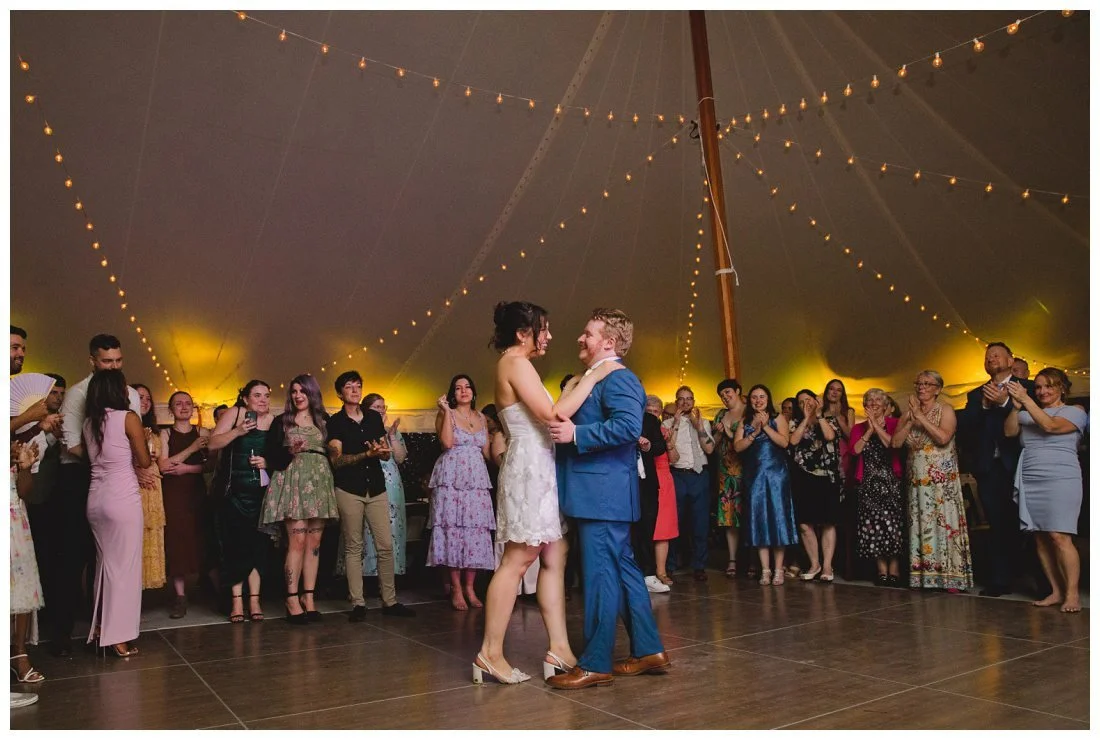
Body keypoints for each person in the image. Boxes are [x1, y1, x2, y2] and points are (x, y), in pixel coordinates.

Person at [474, 301, 615, 684]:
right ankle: (490, 653)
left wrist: (576, 383)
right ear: (523, 333)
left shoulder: (521, 364)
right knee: (518, 559)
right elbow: (553, 416)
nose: (549, 335)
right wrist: (591, 376)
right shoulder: (515, 363)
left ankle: (560, 649)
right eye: (543, 328)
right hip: (528, 470)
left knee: (555, 553)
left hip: (542, 468)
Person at [547, 308, 669, 690]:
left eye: (588, 333)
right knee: (623, 570)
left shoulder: (619, 378)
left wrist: (576, 436)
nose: (580, 338)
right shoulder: (593, 378)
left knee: (600, 575)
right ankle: (649, 650)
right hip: (604, 493)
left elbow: (628, 427)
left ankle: (596, 661)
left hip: (602, 494)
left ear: (609, 342)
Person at [51, 334, 144, 656]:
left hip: (100, 488)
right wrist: (111, 460)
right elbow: (71, 445)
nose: (114, 367)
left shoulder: (127, 395)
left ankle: (104, 628)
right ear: (93, 360)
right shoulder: (77, 394)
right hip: (84, 479)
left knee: (105, 563)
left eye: (118, 361)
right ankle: (69, 633)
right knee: (81, 560)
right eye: (108, 362)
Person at [328, 372, 414, 622]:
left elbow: (385, 455)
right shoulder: (336, 422)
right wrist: (365, 455)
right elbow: (336, 460)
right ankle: (358, 603)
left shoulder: (374, 418)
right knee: (354, 546)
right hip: (349, 488)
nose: (355, 390)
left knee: (386, 546)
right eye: (349, 387)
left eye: (358, 386)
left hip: (376, 487)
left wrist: (381, 452)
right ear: (340, 393)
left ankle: (390, 601)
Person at [1005, 369, 1087, 613]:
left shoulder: (1076, 411)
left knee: (1060, 537)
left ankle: (1072, 594)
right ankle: (1056, 591)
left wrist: (1027, 400)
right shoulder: (1027, 410)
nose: (1042, 391)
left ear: (1062, 388)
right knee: (1040, 537)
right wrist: (1015, 407)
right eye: (1038, 387)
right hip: (1031, 476)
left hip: (1061, 477)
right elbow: (1009, 432)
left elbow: (1050, 426)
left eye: (1049, 386)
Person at [83, 369, 152, 657]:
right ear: (116, 390)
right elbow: (145, 460)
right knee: (124, 569)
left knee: (105, 566)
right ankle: (118, 637)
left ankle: (101, 627)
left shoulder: (88, 423)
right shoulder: (128, 418)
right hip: (122, 498)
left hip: (96, 499)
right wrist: (144, 439)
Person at [261, 374, 339, 624]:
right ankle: (291, 597)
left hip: (319, 479)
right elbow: (270, 454)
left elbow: (335, 449)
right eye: (293, 391)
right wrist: (288, 451)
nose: (297, 395)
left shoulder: (325, 420)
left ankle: (309, 597)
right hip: (293, 479)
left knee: (314, 543)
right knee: (297, 541)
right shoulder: (281, 421)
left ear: (312, 393)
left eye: (302, 391)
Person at [959, 342, 1032, 597]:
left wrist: (1004, 405)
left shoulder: (1029, 388)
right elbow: (966, 427)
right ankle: (1000, 580)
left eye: (997, 355)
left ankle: (1038, 580)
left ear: (1011, 361)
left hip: (1023, 465)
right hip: (990, 467)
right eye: (988, 356)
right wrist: (986, 407)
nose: (991, 358)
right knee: (997, 523)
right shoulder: (976, 395)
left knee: (1031, 525)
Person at [892, 370, 974, 592]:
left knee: (944, 523)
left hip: (941, 480)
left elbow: (943, 437)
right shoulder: (908, 414)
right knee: (921, 524)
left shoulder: (945, 409)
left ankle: (951, 577)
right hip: (917, 480)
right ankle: (923, 575)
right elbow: (896, 443)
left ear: (938, 389)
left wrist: (920, 417)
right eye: (918, 383)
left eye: (928, 384)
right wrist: (911, 419)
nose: (921, 387)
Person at [208, 380, 275, 622]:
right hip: (234, 492)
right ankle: (236, 602)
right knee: (235, 547)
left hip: (262, 494)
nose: (263, 400)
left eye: (266, 395)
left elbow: (281, 455)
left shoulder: (274, 421)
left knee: (258, 547)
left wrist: (268, 462)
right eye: (257, 395)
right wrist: (238, 431)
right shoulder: (235, 413)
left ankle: (255, 600)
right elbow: (212, 444)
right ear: (245, 398)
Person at [427, 375, 495, 611]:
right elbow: (446, 443)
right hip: (451, 477)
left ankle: (470, 586)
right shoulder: (447, 414)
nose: (463, 390)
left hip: (476, 478)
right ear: (451, 394)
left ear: (474, 392)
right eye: (457, 388)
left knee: (475, 530)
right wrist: (446, 411)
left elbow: (487, 453)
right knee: (453, 529)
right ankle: (455, 587)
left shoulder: (481, 418)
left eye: (467, 386)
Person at [734, 384, 797, 585]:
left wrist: (766, 427)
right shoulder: (744, 421)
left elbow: (784, 443)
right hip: (755, 476)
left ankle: (779, 569)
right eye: (754, 397)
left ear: (768, 399)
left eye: (762, 396)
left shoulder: (778, 418)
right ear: (749, 400)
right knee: (759, 519)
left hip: (777, 475)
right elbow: (737, 447)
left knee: (778, 519)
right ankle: (765, 569)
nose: (758, 400)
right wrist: (754, 433)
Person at [157, 391, 210, 618]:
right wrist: (192, 449)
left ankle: (207, 586)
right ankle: (180, 596)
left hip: (196, 492)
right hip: (173, 494)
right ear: (171, 409)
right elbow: (164, 466)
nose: (184, 407)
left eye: (188, 403)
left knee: (201, 536)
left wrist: (187, 468)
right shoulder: (165, 433)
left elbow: (212, 466)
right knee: (176, 540)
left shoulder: (204, 432)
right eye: (178, 404)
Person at [850, 389, 904, 586]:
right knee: (874, 527)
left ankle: (895, 569)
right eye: (869, 401)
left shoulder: (895, 424)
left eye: (877, 401)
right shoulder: (858, 428)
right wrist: (869, 430)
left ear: (885, 405)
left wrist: (878, 427)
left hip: (891, 481)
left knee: (893, 525)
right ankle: (881, 570)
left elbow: (893, 444)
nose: (873, 403)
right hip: (869, 483)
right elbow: (855, 451)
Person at [788, 389, 842, 582]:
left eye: (808, 400)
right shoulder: (794, 423)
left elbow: (829, 437)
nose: (805, 404)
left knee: (827, 522)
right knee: (804, 524)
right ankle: (814, 563)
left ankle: (827, 565)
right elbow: (793, 441)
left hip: (826, 476)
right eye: (801, 402)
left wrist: (818, 416)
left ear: (816, 401)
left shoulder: (829, 420)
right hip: (803, 478)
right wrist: (805, 418)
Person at [663, 385, 715, 582]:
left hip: (699, 475)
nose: (685, 402)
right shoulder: (668, 424)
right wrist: (676, 423)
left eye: (689, 399)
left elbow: (709, 450)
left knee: (700, 524)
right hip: (678, 476)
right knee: (675, 523)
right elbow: (669, 451)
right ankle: (670, 565)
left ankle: (699, 566)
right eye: (681, 399)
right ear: (676, 402)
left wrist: (699, 426)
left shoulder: (704, 423)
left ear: (694, 401)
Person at [11, 439, 46, 693]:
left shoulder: (16, 446)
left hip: (13, 519)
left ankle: (18, 653)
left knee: (21, 587)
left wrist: (24, 466)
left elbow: (25, 491)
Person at [364, 394, 410, 584]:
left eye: (383, 407)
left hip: (392, 486)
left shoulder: (391, 431)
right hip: (371, 481)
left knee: (392, 525)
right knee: (368, 528)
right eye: (376, 407)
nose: (381, 410)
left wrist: (391, 435)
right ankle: (367, 576)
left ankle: (389, 576)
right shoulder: (363, 430)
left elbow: (399, 458)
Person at [132, 384, 166, 592]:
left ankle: (144, 590)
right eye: (139, 397)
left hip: (153, 485)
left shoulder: (156, 432)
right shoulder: (124, 426)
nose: (144, 402)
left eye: (148, 398)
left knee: (151, 535)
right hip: (133, 484)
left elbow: (163, 463)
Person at [712, 378, 745, 578]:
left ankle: (751, 559)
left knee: (748, 514)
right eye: (722, 395)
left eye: (728, 393)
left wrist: (728, 432)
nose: (725, 397)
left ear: (738, 391)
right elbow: (712, 445)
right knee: (730, 517)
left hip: (747, 470)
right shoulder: (720, 415)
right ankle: (732, 558)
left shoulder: (749, 412)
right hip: (725, 472)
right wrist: (717, 434)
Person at [646, 395, 679, 587]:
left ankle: (661, 571)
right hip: (646, 479)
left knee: (664, 528)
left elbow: (674, 458)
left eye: (655, 412)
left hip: (664, 479)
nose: (652, 415)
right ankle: (648, 571)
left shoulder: (663, 430)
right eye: (648, 412)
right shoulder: (639, 428)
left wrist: (668, 442)